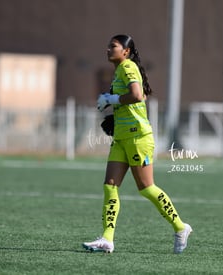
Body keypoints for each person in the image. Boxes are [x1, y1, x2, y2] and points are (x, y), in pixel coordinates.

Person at [82, 34, 192, 254]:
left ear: (126, 52)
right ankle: (107, 239)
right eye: (107, 46)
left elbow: (137, 95)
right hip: (122, 137)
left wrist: (111, 100)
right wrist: (114, 112)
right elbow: (132, 100)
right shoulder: (119, 71)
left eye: (113, 46)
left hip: (138, 137)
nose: (108, 49)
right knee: (110, 186)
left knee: (146, 188)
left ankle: (181, 227)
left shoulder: (127, 66)